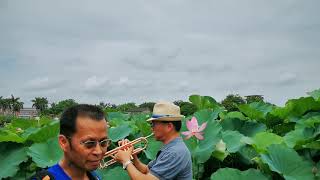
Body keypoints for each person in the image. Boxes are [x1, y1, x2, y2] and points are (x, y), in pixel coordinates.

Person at [114, 101, 192, 180]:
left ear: (169, 126)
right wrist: (133, 156)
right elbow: (147, 170)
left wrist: (126, 161)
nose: (152, 128)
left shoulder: (175, 152)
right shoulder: (170, 147)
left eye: (153, 124)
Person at [31, 104, 110, 180]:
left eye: (103, 142)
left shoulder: (94, 176)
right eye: (89, 144)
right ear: (64, 142)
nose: (98, 151)